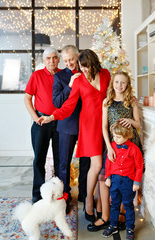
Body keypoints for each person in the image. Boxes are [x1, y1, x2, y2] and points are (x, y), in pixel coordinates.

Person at [37, 49, 111, 223]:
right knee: (97, 164)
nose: (83, 70)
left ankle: (100, 206)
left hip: (106, 125)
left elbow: (112, 94)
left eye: (86, 66)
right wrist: (51, 117)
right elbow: (68, 106)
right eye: (82, 67)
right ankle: (88, 203)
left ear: (93, 62)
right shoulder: (78, 81)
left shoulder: (106, 74)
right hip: (89, 126)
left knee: (103, 168)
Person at [96, 70, 143, 231]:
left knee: (127, 178)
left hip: (131, 146)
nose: (120, 85)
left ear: (127, 84)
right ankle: (109, 216)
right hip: (113, 146)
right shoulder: (107, 102)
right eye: (117, 82)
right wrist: (109, 146)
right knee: (108, 177)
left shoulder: (131, 102)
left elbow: (138, 125)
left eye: (123, 82)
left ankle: (124, 214)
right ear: (112, 84)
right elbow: (103, 127)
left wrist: (131, 120)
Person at [53, 45, 90, 212]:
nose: (69, 63)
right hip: (66, 125)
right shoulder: (59, 76)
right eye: (66, 61)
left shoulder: (87, 72)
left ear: (78, 57)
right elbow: (57, 102)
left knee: (86, 163)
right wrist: (69, 85)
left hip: (87, 125)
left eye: (72, 60)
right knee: (64, 163)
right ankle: (64, 197)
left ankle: (84, 195)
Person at [24, 46, 60, 203]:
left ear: (58, 60)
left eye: (54, 58)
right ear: (44, 60)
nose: (51, 61)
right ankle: (37, 195)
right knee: (39, 158)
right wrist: (34, 117)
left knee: (61, 160)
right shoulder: (36, 75)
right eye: (48, 58)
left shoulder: (64, 75)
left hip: (60, 122)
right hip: (40, 122)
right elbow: (27, 98)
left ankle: (60, 194)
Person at [102, 121, 143, 240]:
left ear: (127, 135)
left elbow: (139, 167)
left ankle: (130, 228)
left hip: (128, 182)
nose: (115, 139)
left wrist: (136, 182)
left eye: (118, 137)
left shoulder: (134, 149)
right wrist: (108, 177)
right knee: (114, 205)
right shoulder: (112, 146)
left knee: (128, 205)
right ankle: (113, 225)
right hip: (114, 181)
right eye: (114, 136)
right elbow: (108, 163)